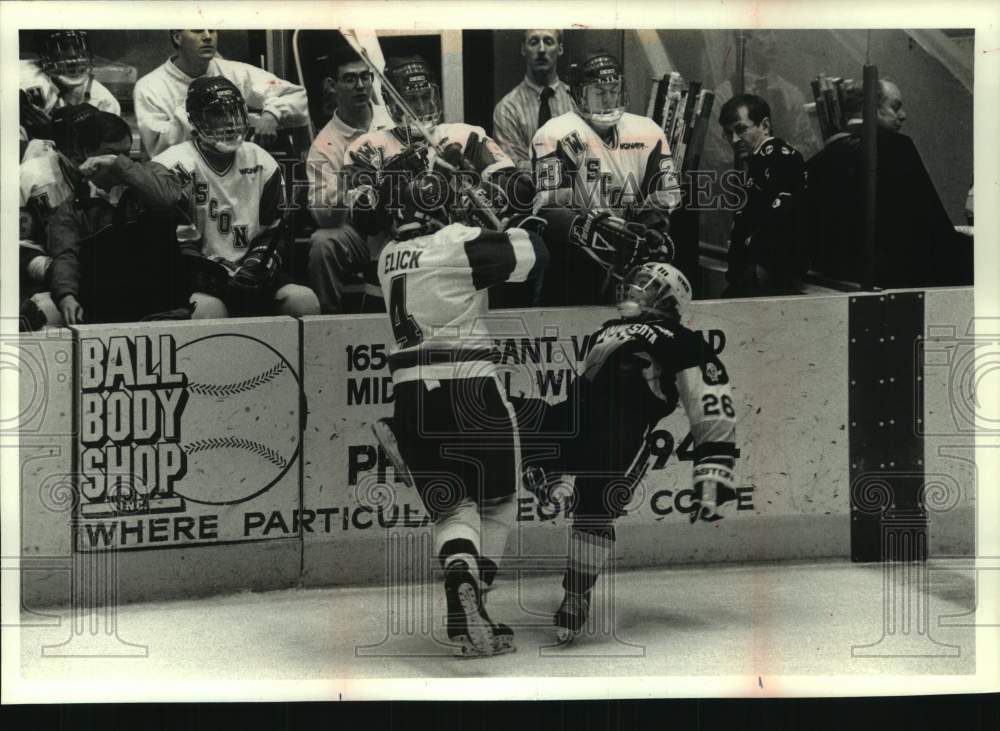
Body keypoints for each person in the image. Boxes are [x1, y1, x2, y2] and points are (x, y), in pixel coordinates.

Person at [366, 159, 549, 657]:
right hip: (471, 386)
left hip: (410, 397)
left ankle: (460, 589)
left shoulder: (388, 257)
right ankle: (479, 596)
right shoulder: (455, 242)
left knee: (452, 508)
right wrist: (511, 210)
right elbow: (536, 254)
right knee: (498, 503)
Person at [515, 262, 739, 644]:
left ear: (669, 302)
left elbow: (710, 402)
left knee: (593, 509)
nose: (636, 291)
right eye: (636, 283)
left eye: (648, 287)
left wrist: (714, 467)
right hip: (578, 419)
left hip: (621, 434)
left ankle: (575, 594)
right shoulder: (607, 330)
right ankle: (544, 470)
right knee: (502, 408)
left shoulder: (683, 340)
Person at [344, 55, 539, 308]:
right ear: (391, 104)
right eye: (412, 100)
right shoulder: (367, 148)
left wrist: (471, 181)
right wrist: (395, 178)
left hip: (457, 268)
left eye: (427, 97)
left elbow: (520, 190)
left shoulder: (465, 136)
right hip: (395, 275)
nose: (422, 107)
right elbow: (364, 219)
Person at [152, 77, 319, 319]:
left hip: (252, 272)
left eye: (235, 112)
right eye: (218, 114)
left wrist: (255, 268)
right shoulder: (172, 166)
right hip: (198, 278)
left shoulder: (263, 162)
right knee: (210, 311)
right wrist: (220, 275)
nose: (230, 123)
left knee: (303, 301)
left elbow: (272, 232)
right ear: (194, 119)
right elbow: (178, 247)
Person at [530, 50, 681, 306]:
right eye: (599, 92)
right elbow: (549, 209)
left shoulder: (648, 131)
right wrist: (598, 231)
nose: (608, 99)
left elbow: (662, 197)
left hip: (629, 259)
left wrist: (650, 231)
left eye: (613, 90)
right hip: (574, 263)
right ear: (577, 95)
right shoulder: (554, 134)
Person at [805, 83, 971, 288]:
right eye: (895, 106)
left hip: (837, 275)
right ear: (873, 107)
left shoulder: (819, 159)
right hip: (896, 276)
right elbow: (931, 227)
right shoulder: (897, 148)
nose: (903, 115)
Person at [44, 110, 190, 327]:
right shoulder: (71, 209)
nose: (119, 162)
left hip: (167, 306)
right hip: (107, 312)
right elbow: (65, 256)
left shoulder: (153, 175)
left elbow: (167, 200)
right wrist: (67, 295)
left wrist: (119, 164)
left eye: (125, 154)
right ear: (86, 153)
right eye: (111, 154)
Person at [305, 44, 394, 313]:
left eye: (365, 77)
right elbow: (321, 215)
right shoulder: (324, 144)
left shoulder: (393, 118)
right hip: (360, 233)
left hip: (402, 220)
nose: (360, 85)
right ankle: (329, 323)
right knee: (322, 244)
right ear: (332, 86)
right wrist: (347, 179)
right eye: (349, 78)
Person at [134, 29, 309, 158]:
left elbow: (296, 95)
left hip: (236, 172)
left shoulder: (234, 72)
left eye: (212, 30)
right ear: (177, 37)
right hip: (183, 176)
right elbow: (158, 149)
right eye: (197, 31)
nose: (208, 36)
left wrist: (272, 114)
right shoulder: (149, 87)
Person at [717, 93, 807, 297]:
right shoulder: (762, 161)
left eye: (741, 129)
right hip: (758, 272)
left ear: (764, 126)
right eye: (728, 133)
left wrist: (753, 266)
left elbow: (781, 220)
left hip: (765, 274)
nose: (734, 140)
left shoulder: (778, 158)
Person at [492, 30, 576, 172]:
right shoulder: (507, 108)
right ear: (523, 49)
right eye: (534, 42)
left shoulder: (576, 101)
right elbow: (513, 167)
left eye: (548, 42)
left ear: (560, 49)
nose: (541, 49)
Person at [20, 30, 120, 141]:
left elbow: (105, 150)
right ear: (45, 53)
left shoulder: (103, 100)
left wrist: (55, 134)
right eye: (62, 47)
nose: (72, 54)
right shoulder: (24, 80)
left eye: (77, 46)